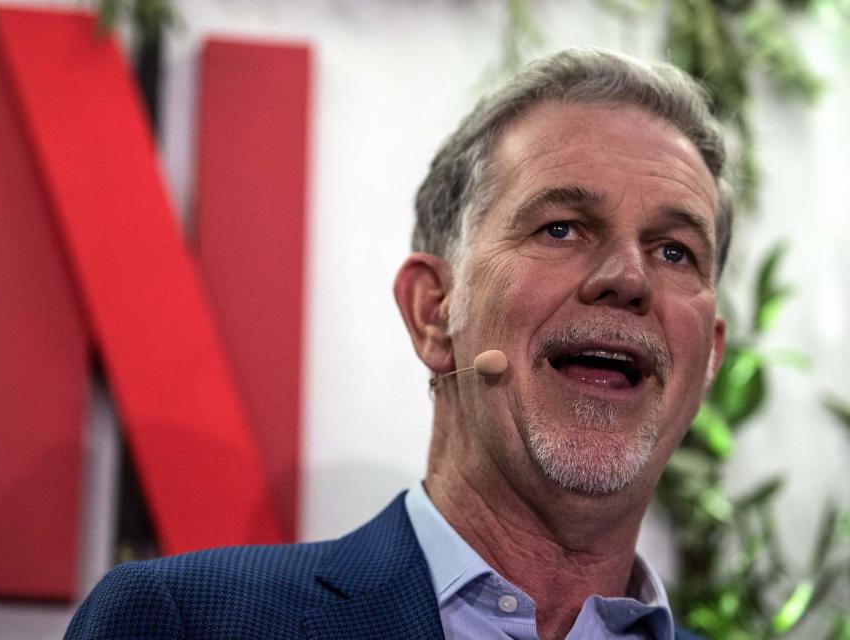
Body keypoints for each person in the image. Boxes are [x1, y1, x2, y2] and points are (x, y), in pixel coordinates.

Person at [65, 48, 731, 640]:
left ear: (708, 361)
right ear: (435, 314)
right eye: (562, 229)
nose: (629, 277)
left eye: (676, 250)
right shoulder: (183, 623)